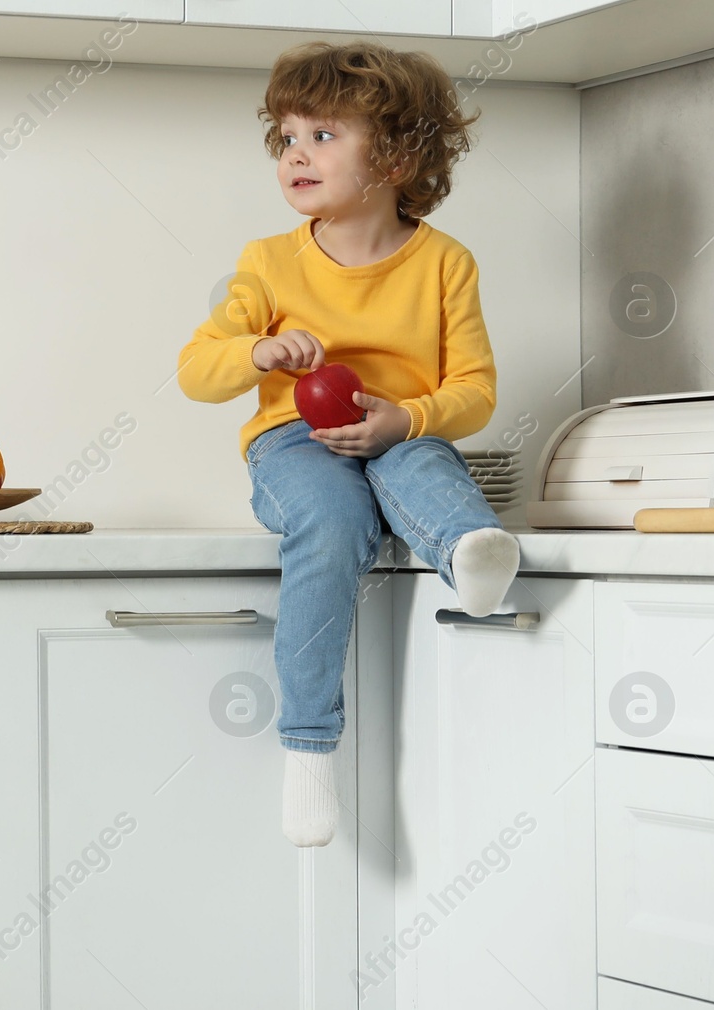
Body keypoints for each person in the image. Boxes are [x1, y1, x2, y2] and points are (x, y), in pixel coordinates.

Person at [177, 40, 520, 848]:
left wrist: (405, 418)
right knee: (332, 520)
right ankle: (308, 746)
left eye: (323, 136)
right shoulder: (266, 264)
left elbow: (474, 392)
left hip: (395, 423)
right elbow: (196, 372)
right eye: (287, 137)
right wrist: (256, 353)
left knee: (426, 462)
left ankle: (471, 551)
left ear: (399, 155)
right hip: (291, 440)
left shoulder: (445, 263)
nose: (296, 153)